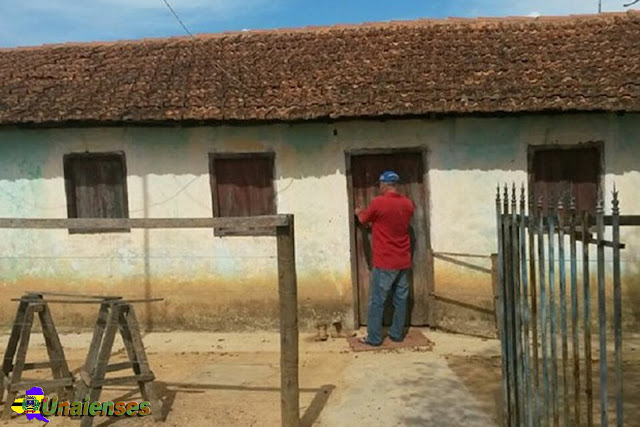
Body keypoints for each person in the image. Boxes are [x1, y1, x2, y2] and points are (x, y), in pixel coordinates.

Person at [355, 170, 415, 346]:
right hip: (403, 259)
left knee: (377, 301)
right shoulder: (408, 204)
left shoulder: (379, 202)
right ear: (396, 185)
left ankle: (374, 338)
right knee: (401, 299)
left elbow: (364, 219)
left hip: (385, 261)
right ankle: (396, 334)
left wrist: (358, 212)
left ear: (383, 184)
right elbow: (393, 222)